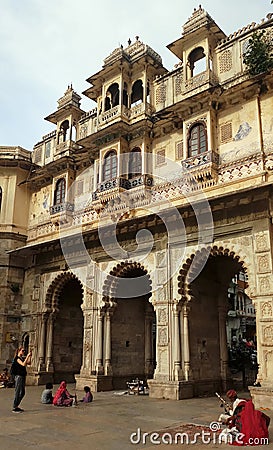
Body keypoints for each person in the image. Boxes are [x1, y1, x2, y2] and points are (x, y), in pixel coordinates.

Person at [12, 346, 32, 413]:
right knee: (18, 391)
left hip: (23, 376)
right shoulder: (17, 359)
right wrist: (27, 356)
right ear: (19, 351)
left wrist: (29, 356)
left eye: (24, 351)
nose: (23, 352)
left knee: (23, 392)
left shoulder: (21, 358)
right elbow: (23, 364)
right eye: (22, 351)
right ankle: (14, 407)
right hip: (19, 376)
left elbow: (29, 363)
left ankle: (17, 405)